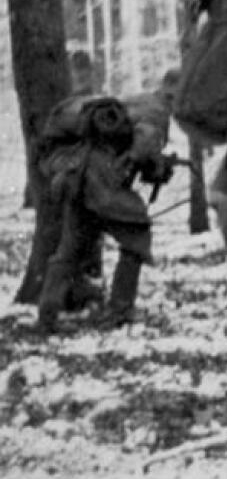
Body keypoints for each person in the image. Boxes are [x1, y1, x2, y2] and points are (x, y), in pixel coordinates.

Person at [36, 70, 179, 333]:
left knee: (70, 247)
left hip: (75, 173)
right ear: (176, 93)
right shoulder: (157, 110)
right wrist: (158, 169)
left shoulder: (137, 100)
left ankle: (48, 312)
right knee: (137, 237)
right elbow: (142, 148)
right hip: (100, 180)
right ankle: (119, 311)